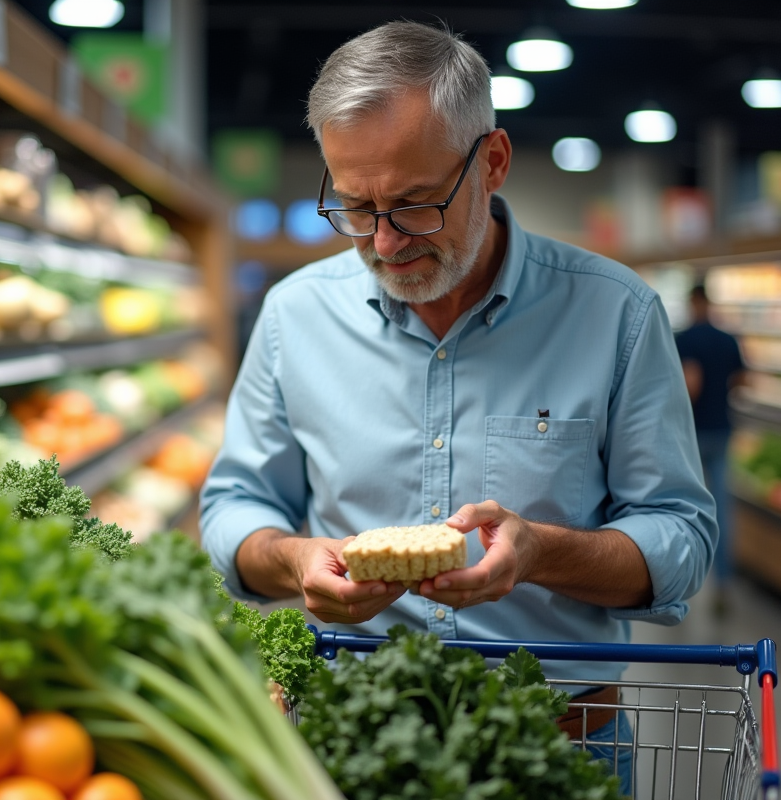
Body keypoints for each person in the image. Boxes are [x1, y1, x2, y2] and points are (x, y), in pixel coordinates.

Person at [200, 21, 716, 792]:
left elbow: (680, 536)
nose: (383, 242)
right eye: (354, 206)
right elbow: (233, 506)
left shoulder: (616, 314)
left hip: (562, 748)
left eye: (413, 204)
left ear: (493, 162)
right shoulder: (293, 315)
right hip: (350, 741)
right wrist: (294, 560)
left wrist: (542, 553)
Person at [674, 284, 745, 615]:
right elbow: (743, 380)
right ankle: (723, 585)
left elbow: (692, 385)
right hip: (723, 430)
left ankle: (682, 585)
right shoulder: (728, 339)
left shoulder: (686, 339)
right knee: (721, 511)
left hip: (693, 433)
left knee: (686, 510)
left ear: (693, 301)